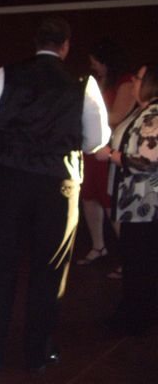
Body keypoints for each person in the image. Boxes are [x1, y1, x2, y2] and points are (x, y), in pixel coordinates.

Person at [0, 17, 110, 372]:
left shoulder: (6, 74)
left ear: (36, 42)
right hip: (58, 182)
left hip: (11, 179)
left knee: (2, 265)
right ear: (66, 46)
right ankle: (37, 353)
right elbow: (97, 139)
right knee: (50, 269)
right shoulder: (82, 83)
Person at [95, 63, 158, 337]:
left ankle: (135, 318)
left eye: (139, 78)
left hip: (147, 203)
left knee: (140, 261)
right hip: (137, 202)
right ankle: (135, 313)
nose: (134, 81)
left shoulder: (154, 114)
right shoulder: (143, 111)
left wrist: (111, 155)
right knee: (137, 259)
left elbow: (146, 161)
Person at [77, 38, 134, 268]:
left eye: (96, 63)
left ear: (107, 61)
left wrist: (87, 113)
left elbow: (117, 116)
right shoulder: (98, 80)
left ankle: (129, 258)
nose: (93, 67)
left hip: (111, 148)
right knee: (89, 196)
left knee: (110, 201)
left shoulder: (126, 83)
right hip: (92, 148)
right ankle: (98, 246)